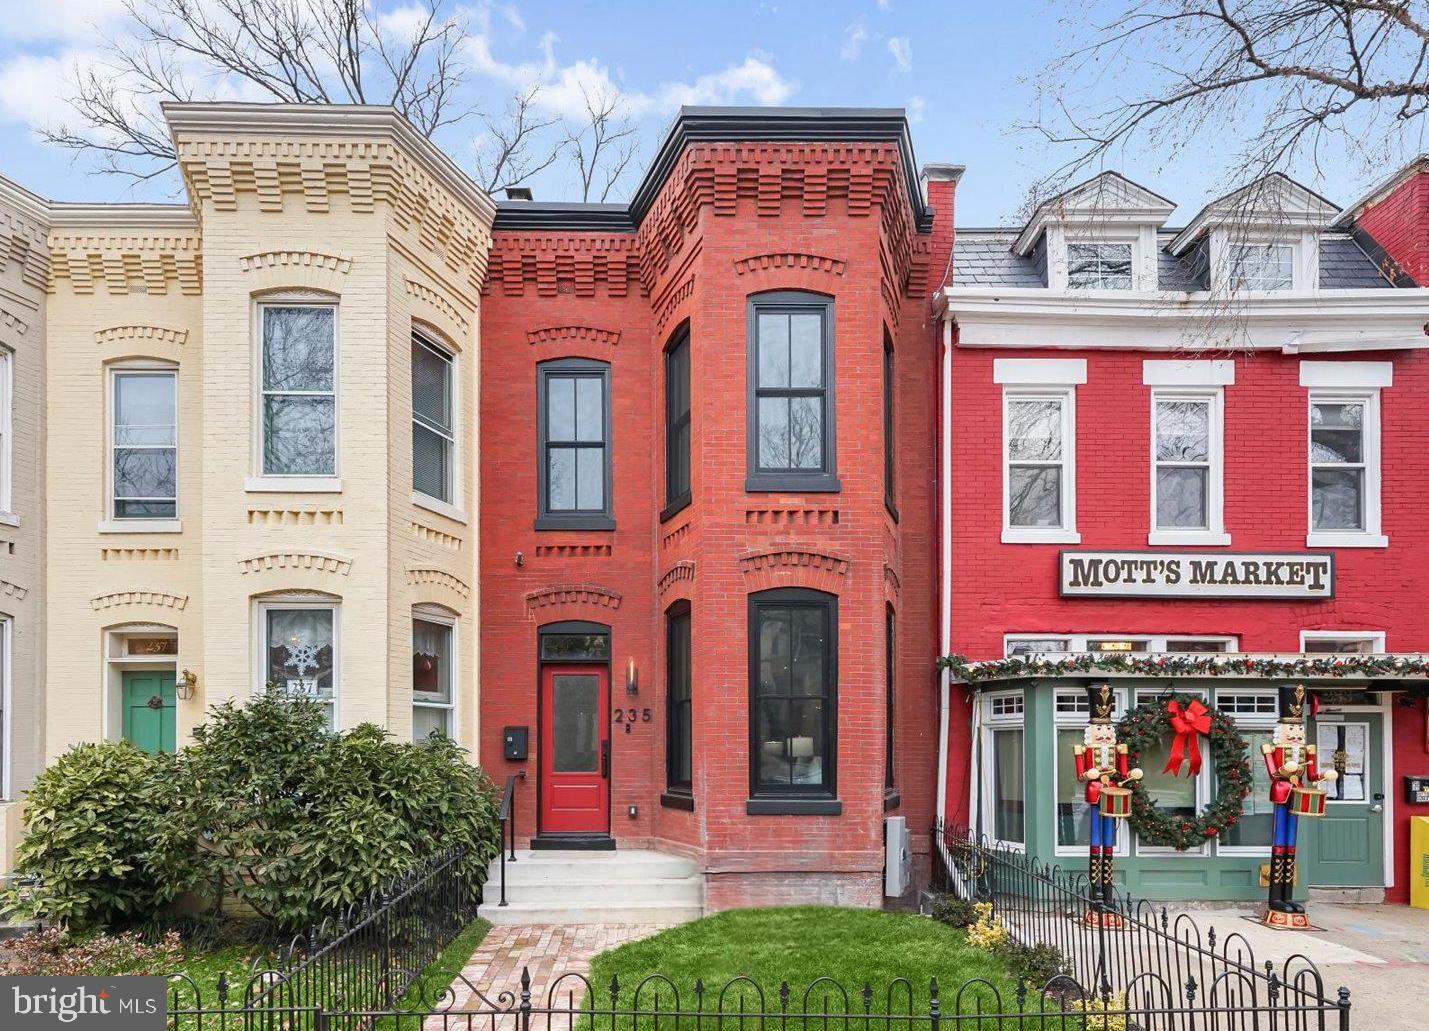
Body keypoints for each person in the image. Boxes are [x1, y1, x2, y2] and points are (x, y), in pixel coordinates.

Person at [1263, 684, 1337, 917]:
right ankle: (1275, 898)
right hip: (1282, 793)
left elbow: (1311, 776)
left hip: (1297, 795)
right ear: (1281, 730)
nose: (1295, 733)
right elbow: (1273, 774)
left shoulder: (1307, 751)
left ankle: (1288, 896)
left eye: (1298, 728)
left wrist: (1324, 775)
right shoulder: (1271, 749)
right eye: (1291, 728)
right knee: (1279, 843)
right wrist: (1286, 769)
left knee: (1291, 845)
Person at [1072, 684, 1143, 905]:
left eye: (1107, 729)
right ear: (1091, 732)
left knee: (1108, 840)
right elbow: (1080, 775)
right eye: (1099, 730)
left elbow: (1123, 773)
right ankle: (1096, 893)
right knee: (1095, 839)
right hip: (1095, 791)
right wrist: (1087, 774)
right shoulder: (1084, 750)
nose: (1104, 734)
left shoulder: (1117, 749)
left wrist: (1130, 774)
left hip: (1111, 791)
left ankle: (1108, 892)